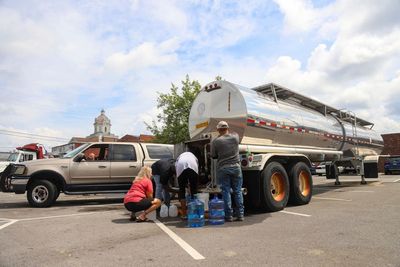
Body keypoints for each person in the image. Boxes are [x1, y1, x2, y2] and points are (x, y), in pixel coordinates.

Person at [211, 121, 244, 222]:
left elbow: (213, 156)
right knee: (238, 191)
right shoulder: (235, 137)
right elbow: (236, 134)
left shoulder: (216, 142)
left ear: (218, 130)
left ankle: (228, 216)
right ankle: (240, 215)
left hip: (223, 168)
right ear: (227, 128)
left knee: (226, 192)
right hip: (236, 167)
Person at [175, 151, 199, 219]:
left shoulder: (180, 157)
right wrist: (193, 184)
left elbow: (176, 168)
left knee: (182, 190)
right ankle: (195, 212)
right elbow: (196, 171)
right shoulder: (194, 157)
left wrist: (184, 184)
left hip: (180, 165)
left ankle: (184, 214)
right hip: (193, 165)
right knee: (194, 191)